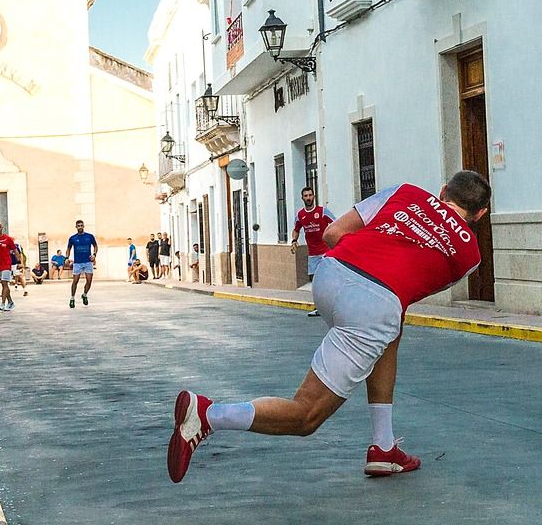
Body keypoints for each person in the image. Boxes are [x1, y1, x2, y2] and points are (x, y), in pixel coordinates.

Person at [168, 170, 491, 483]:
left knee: (392, 328)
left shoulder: (406, 192)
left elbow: (332, 234)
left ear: (443, 191)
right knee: (307, 415)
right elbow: (413, 285)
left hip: (330, 273)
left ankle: (384, 446)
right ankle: (208, 414)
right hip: (372, 304)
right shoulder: (469, 256)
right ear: (480, 214)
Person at [292, 186, 335, 316]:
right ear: (302, 198)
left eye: (310, 195)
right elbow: (296, 230)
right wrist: (294, 241)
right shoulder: (300, 215)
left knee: (328, 280)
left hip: (326, 252)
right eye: (306, 196)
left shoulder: (322, 211)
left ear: (314, 196)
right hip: (312, 255)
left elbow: (336, 223)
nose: (308, 198)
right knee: (315, 283)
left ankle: (332, 306)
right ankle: (319, 308)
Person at [66, 219, 98, 308]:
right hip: (77, 263)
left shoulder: (90, 236)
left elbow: (95, 246)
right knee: (75, 281)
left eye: (81, 225)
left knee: (89, 281)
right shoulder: (72, 238)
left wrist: (94, 255)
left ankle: (84, 294)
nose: (80, 227)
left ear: (83, 226)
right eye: (78, 226)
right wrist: (66, 258)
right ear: (76, 227)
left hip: (88, 262)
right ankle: (72, 298)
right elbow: (68, 249)